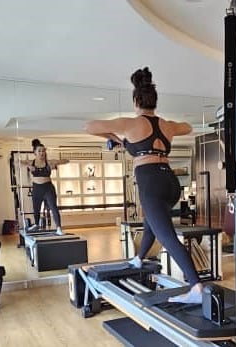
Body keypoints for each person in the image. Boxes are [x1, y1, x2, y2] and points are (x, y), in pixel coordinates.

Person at [84, 67, 198, 304]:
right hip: (170, 183)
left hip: (151, 184)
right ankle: (139, 258)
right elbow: (188, 127)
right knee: (151, 223)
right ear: (154, 101)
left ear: (136, 101)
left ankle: (196, 286)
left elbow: (90, 126)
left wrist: (116, 135)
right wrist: (171, 126)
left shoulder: (131, 123)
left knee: (167, 238)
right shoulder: (166, 125)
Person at [21, 139, 69, 235]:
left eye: (43, 151)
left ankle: (59, 228)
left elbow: (66, 161)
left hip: (48, 188)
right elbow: (17, 162)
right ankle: (36, 224)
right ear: (35, 152)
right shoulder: (30, 162)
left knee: (53, 207)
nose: (41, 153)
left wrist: (57, 163)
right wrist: (26, 166)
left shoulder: (49, 162)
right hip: (37, 188)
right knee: (36, 208)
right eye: (39, 151)